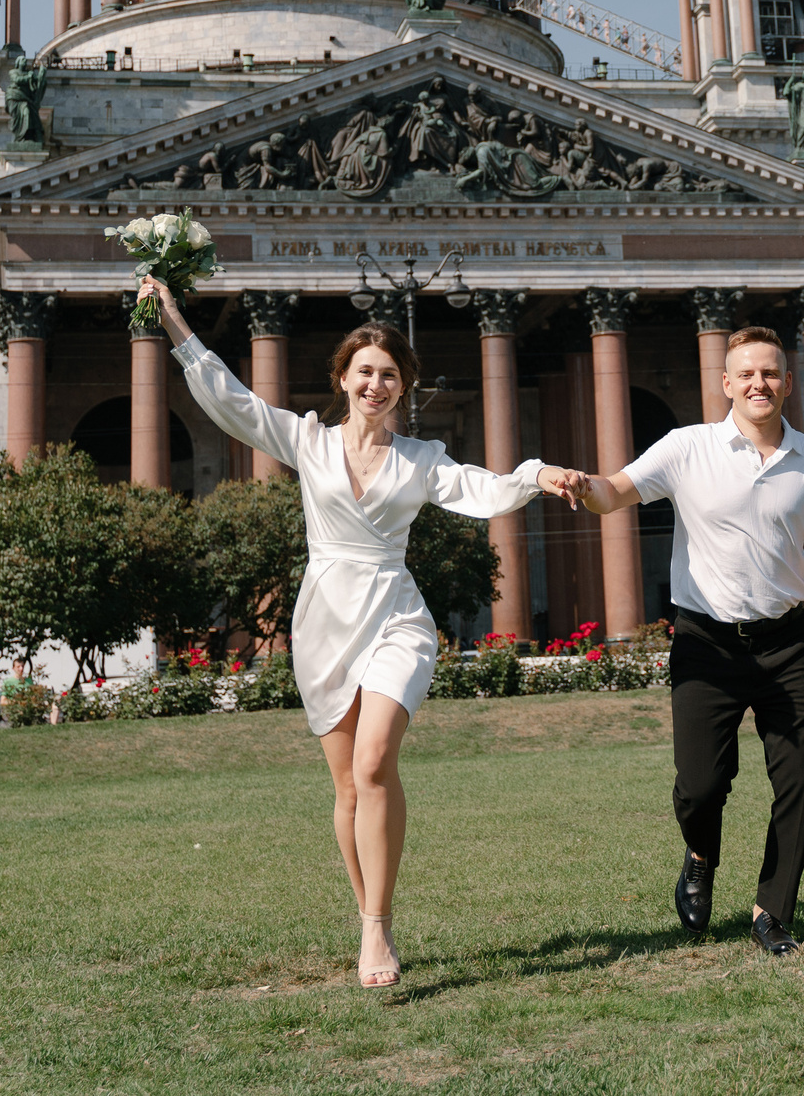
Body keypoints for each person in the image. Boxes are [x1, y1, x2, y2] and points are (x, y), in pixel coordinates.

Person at [143, 273, 580, 988]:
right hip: (325, 620)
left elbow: (486, 489)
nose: (376, 384)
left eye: (389, 375)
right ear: (343, 378)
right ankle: (371, 918)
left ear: (403, 387)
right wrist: (172, 321)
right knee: (348, 786)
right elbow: (230, 400)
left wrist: (539, 473)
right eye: (365, 371)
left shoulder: (421, 459)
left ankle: (376, 929)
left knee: (376, 762)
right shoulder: (306, 440)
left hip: (396, 616)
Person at [565, 324, 804, 956]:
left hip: (787, 642)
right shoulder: (688, 448)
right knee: (700, 786)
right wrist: (580, 486)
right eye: (747, 374)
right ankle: (702, 853)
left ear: (787, 383)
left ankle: (772, 911)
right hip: (705, 641)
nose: (759, 383)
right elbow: (616, 491)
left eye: (771, 373)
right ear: (726, 383)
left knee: (799, 781)